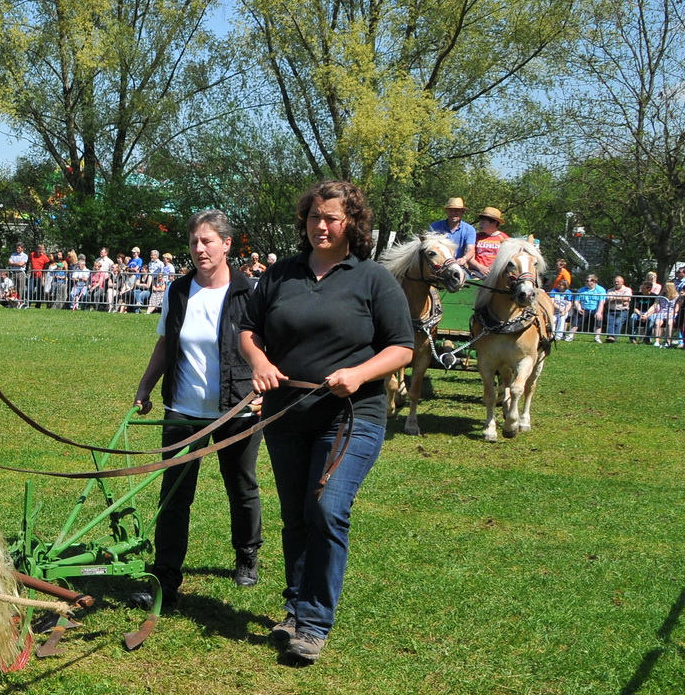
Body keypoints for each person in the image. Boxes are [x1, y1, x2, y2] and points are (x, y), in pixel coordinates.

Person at [241, 180, 414, 665]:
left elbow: (402, 346)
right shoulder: (282, 274)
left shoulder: (373, 279)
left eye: (332, 218)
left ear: (351, 224)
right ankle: (295, 608)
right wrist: (257, 361)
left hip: (350, 416)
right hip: (285, 414)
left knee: (327, 507)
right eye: (315, 216)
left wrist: (359, 374)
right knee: (296, 515)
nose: (321, 225)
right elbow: (248, 330)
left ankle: (314, 623)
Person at [133, 210, 263, 608]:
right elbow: (164, 344)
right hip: (183, 408)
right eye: (194, 242)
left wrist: (265, 389)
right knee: (173, 495)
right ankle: (165, 574)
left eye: (207, 241)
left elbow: (270, 348)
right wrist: (144, 386)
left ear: (227, 244)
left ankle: (247, 554)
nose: (199, 249)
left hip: (237, 408)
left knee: (240, 487)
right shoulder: (178, 291)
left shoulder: (251, 291)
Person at [429, 197, 478, 270]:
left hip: (459, 266)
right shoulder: (435, 227)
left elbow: (470, 249)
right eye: (451, 210)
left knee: (466, 279)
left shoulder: (469, 229)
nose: (453, 213)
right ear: (447, 212)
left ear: (462, 212)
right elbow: (428, 247)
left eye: (456, 211)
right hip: (439, 266)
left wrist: (464, 259)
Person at [469, 207, 509, 276]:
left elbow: (507, 260)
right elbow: (470, 258)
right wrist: (480, 268)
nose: (480, 224)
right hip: (476, 272)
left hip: (496, 273)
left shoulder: (504, 239)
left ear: (494, 223)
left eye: (483, 222)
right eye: (480, 221)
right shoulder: (476, 237)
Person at [574, 273, 606, 340]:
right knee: (576, 320)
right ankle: (571, 335)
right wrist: (579, 309)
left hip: (596, 309)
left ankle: (597, 337)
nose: (588, 282)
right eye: (587, 281)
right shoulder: (581, 290)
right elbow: (576, 301)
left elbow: (601, 302)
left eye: (591, 280)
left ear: (595, 281)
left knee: (598, 319)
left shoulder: (601, 290)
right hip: (584, 308)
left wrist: (599, 312)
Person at [603, 275, 632, 343]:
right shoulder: (610, 290)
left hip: (622, 310)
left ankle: (613, 338)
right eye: (615, 282)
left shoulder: (627, 290)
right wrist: (621, 299)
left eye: (618, 282)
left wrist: (614, 298)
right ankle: (610, 337)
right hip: (611, 310)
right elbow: (608, 299)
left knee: (617, 323)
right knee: (610, 323)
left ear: (622, 282)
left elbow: (626, 298)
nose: (616, 283)